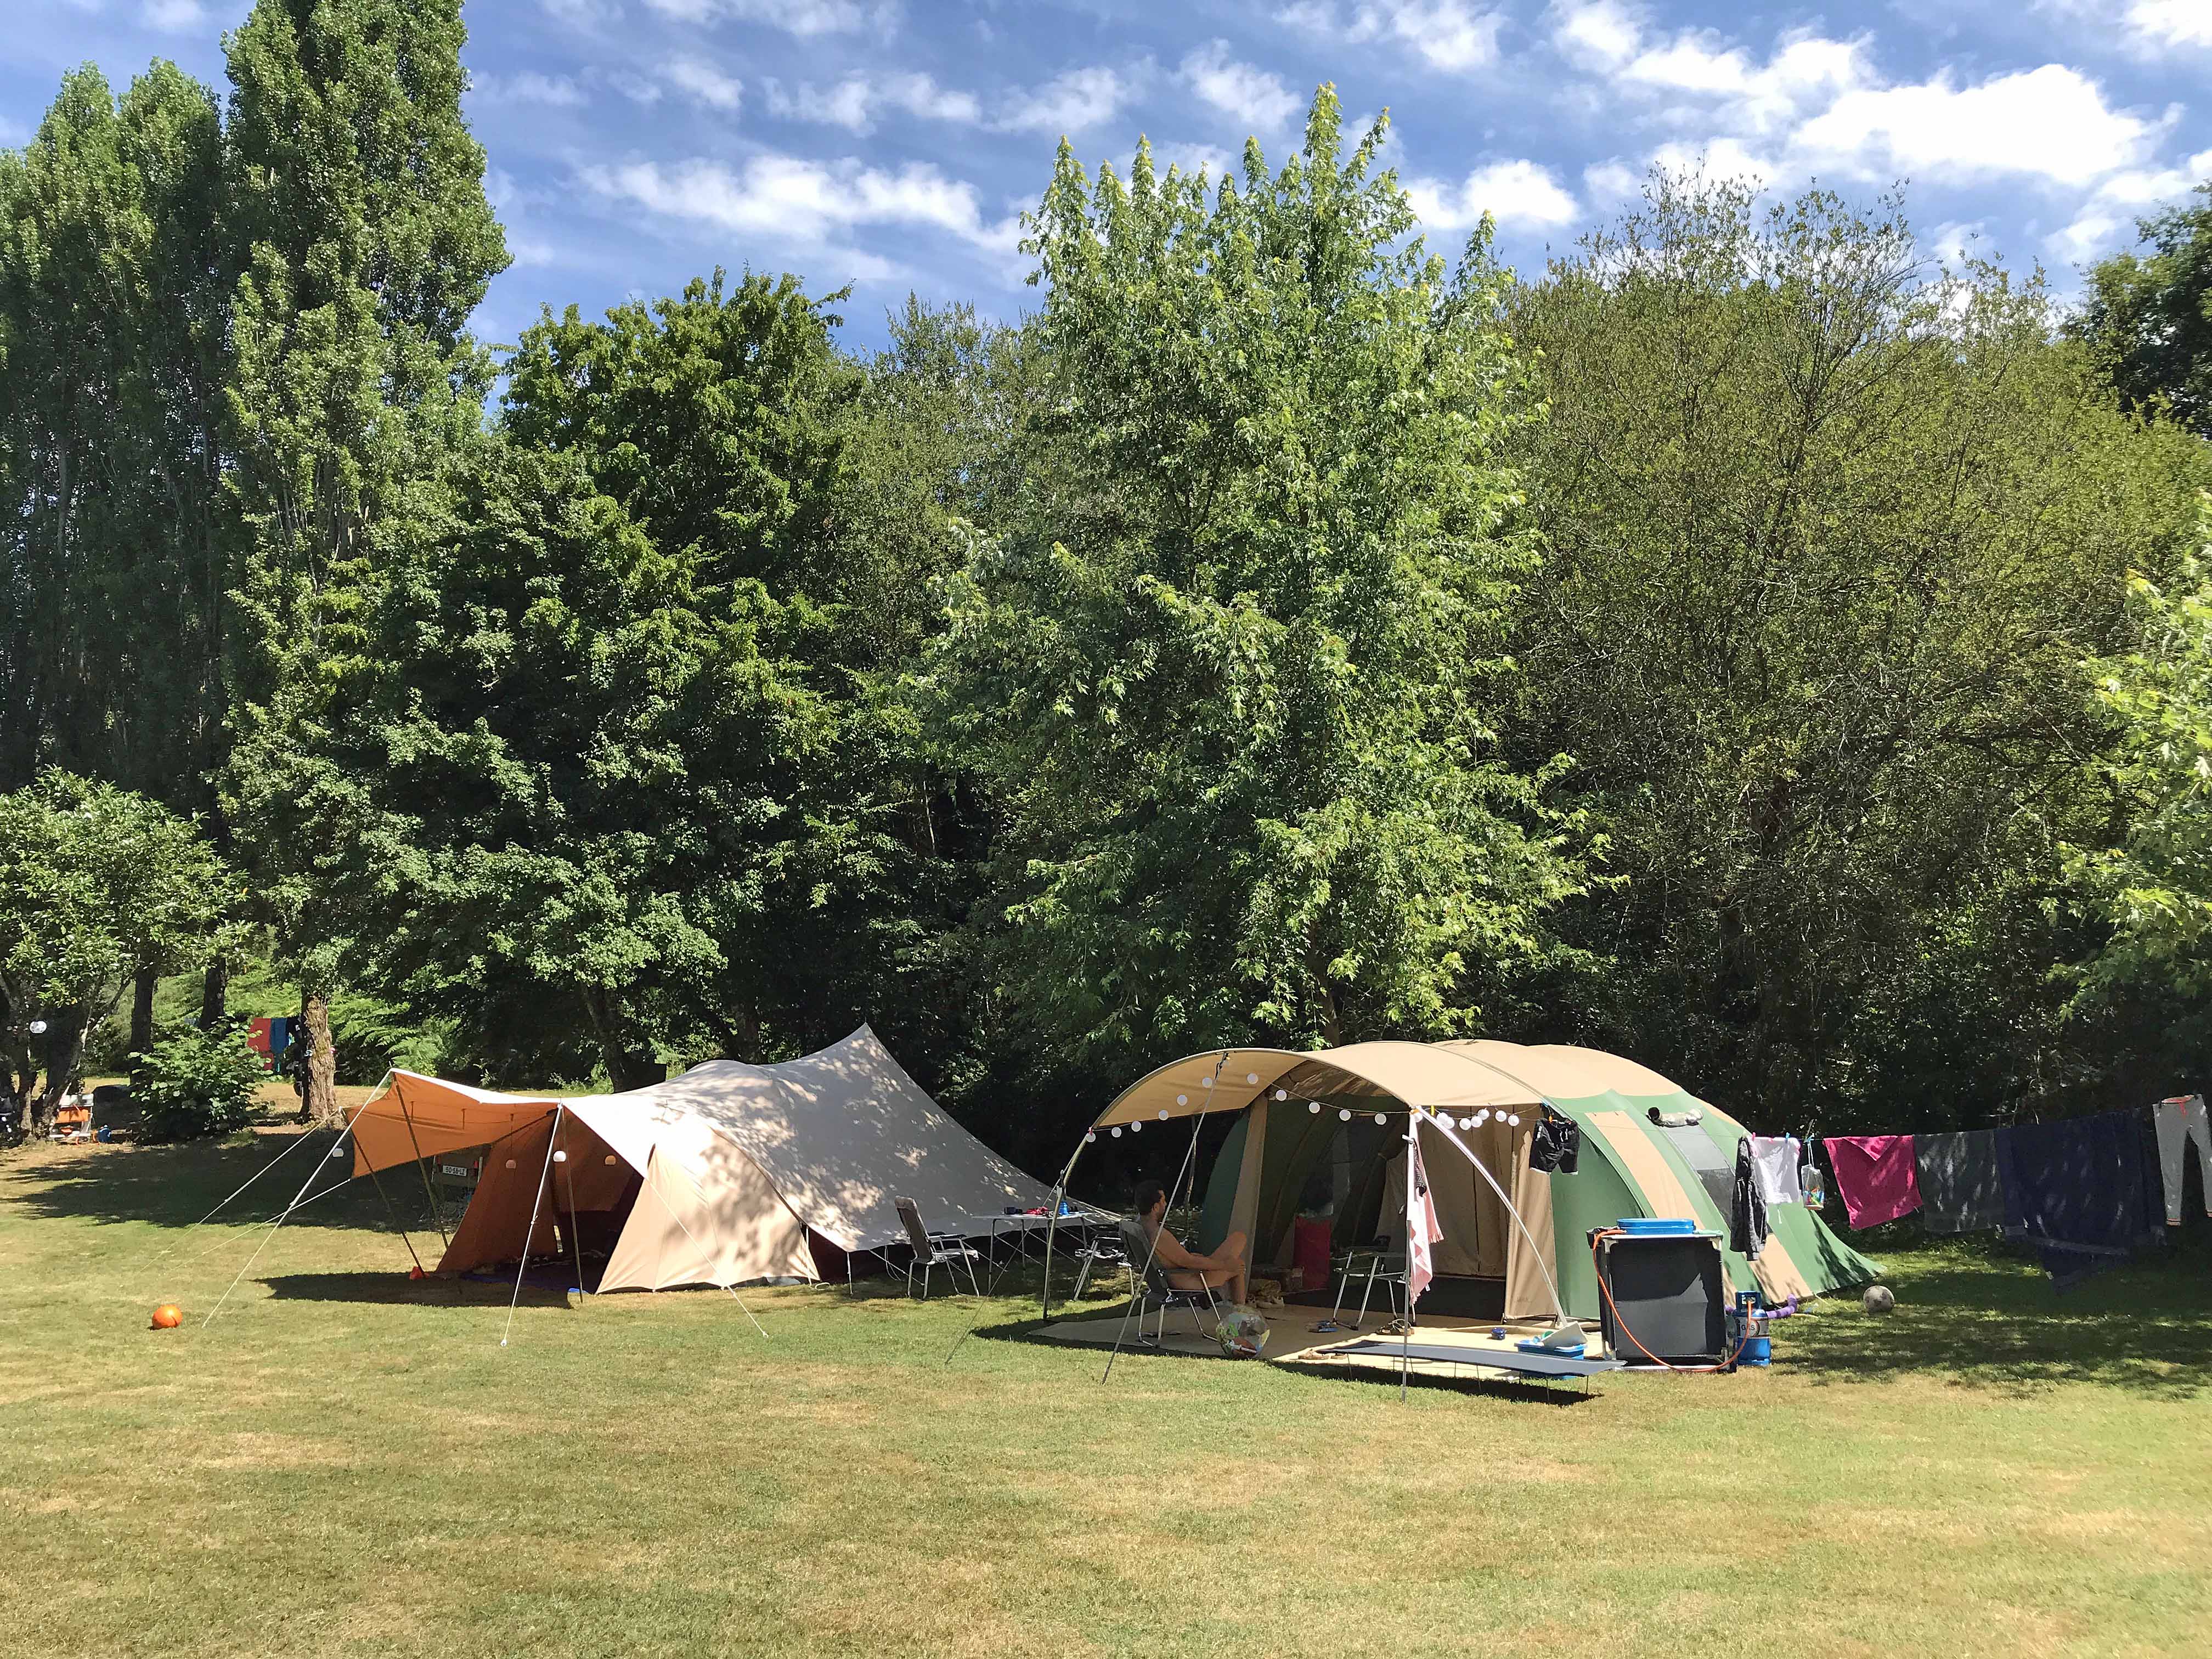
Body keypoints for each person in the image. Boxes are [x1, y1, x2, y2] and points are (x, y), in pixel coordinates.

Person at [1133, 1180, 1249, 1306]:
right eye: (1163, 1201)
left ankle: (1235, 1310)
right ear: (1155, 1207)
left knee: (1238, 1238)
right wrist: (1225, 1265)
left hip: (1169, 1278)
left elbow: (1180, 1259)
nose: (1166, 1204)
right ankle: (1240, 1315)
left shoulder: (1138, 1228)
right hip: (1189, 1280)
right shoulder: (1158, 1234)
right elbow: (1189, 1262)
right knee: (1239, 1264)